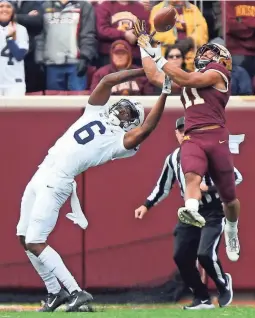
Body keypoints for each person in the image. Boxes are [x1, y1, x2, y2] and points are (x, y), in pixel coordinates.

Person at [16, 68, 172, 312]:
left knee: (36, 241)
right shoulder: (95, 111)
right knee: (24, 237)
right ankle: (54, 293)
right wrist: (146, 70)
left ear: (131, 121)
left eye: (128, 111)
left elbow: (146, 130)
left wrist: (164, 92)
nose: (121, 110)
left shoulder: (119, 142)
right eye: (122, 105)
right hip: (42, 172)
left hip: (57, 180)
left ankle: (76, 292)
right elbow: (109, 80)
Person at [133, 20, 241, 263]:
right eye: (206, 52)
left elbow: (189, 80)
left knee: (229, 198)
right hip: (192, 135)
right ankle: (191, 210)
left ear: (223, 59)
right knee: (191, 173)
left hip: (216, 135)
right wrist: (144, 48)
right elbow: (154, 76)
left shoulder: (218, 74)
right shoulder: (188, 76)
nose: (208, 55)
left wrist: (157, 54)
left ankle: (232, 229)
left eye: (214, 52)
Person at [135, 117, 243, 309]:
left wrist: (208, 187)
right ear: (176, 134)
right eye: (181, 131)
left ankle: (223, 285)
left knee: (205, 254)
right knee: (181, 256)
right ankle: (201, 297)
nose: (185, 135)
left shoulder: (211, 152)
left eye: (189, 131)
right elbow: (163, 186)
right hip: (189, 213)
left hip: (213, 212)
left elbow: (235, 176)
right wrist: (146, 205)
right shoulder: (173, 158)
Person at [0, 0, 29, 96]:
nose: (4, 9)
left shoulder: (20, 29)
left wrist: (10, 38)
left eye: (8, 6)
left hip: (14, 82)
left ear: (13, 10)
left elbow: (19, 55)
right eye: (1, 6)